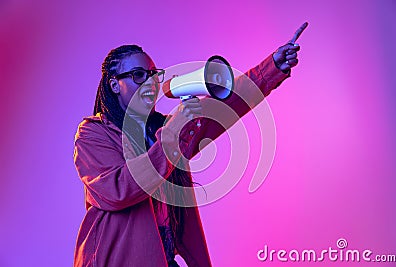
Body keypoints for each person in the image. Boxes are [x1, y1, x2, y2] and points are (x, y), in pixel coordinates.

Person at [73, 23, 307, 267]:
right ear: (113, 85)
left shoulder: (161, 129)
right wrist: (173, 131)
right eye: (138, 75)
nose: (149, 82)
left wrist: (272, 67)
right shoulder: (93, 133)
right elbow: (118, 190)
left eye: (153, 74)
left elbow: (225, 110)